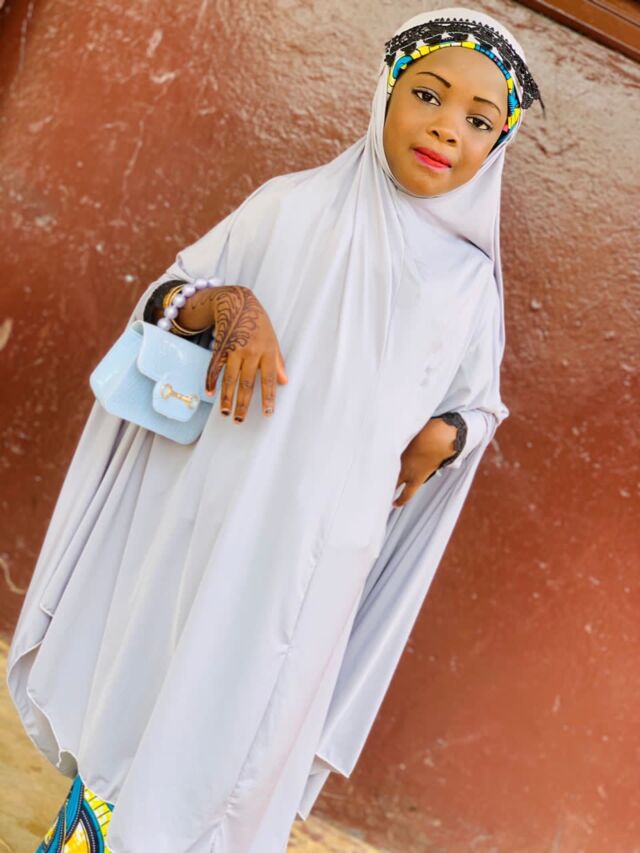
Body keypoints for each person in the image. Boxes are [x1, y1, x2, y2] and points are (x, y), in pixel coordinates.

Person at [8, 7, 543, 852]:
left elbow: (478, 402)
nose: (448, 127)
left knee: (250, 737)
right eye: (428, 95)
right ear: (385, 92)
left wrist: (448, 432)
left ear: (498, 145)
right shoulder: (289, 209)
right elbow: (166, 299)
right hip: (213, 522)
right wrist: (230, 304)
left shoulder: (471, 286)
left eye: (480, 120)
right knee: (163, 687)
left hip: (325, 557)